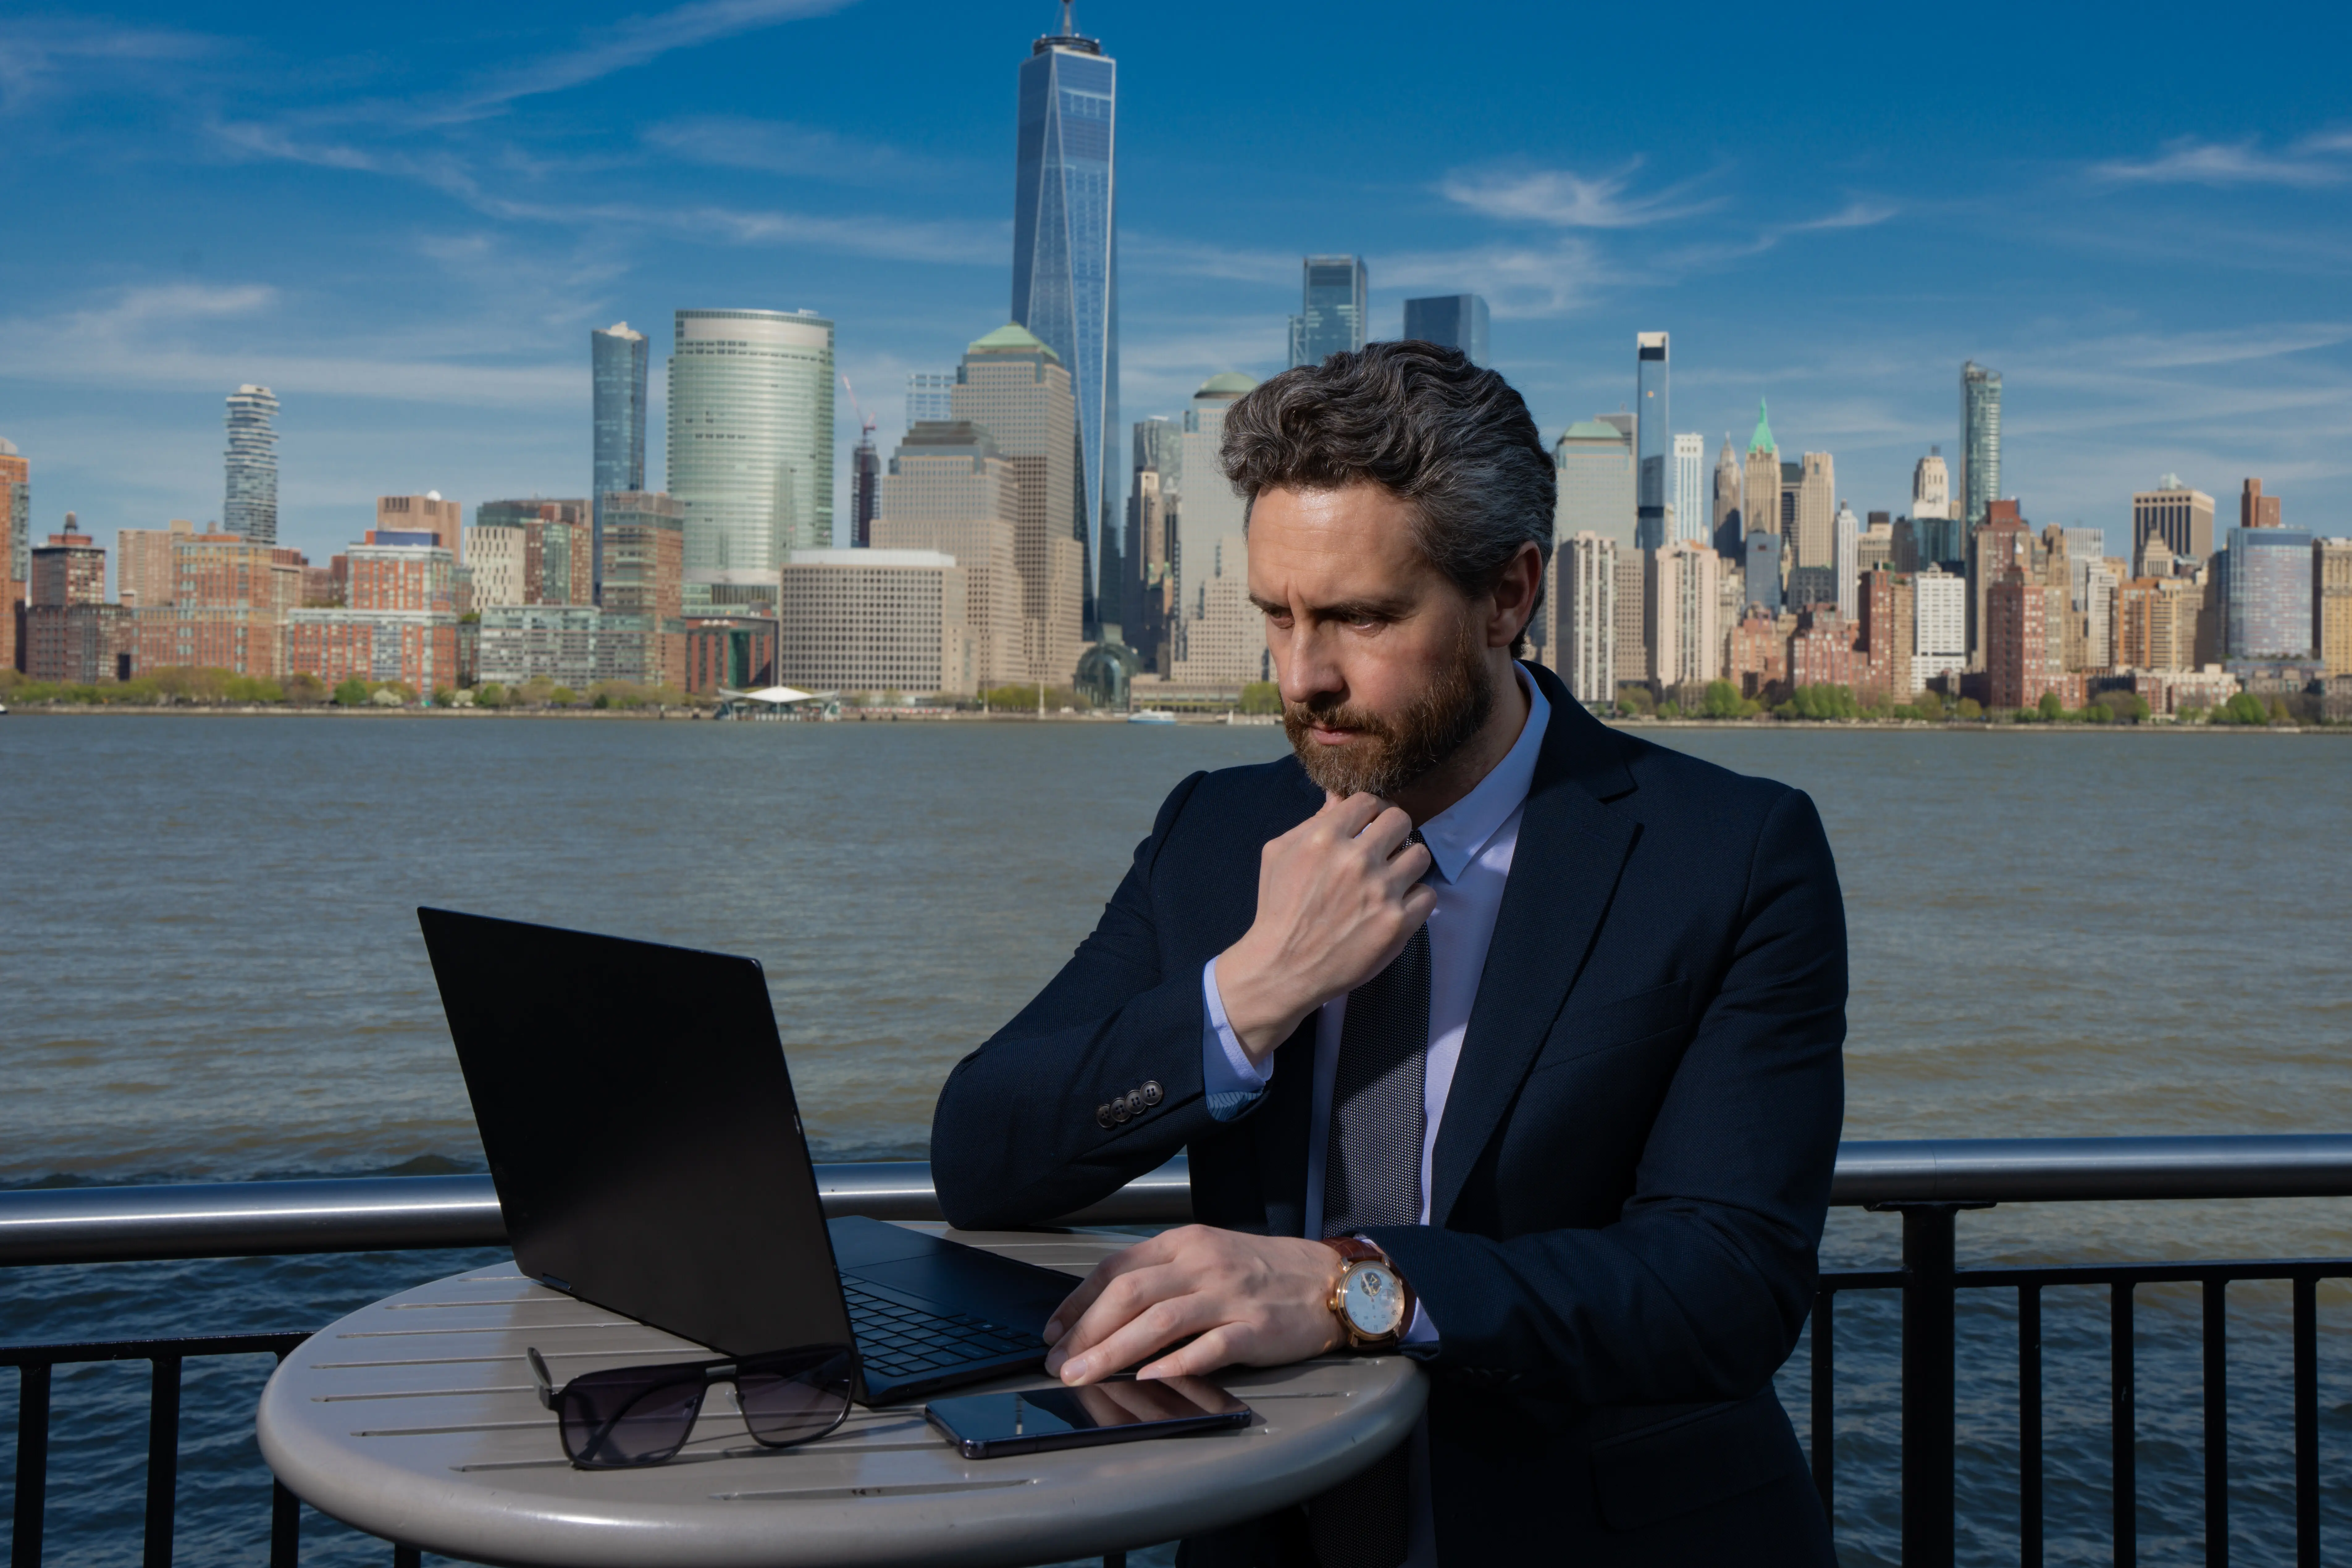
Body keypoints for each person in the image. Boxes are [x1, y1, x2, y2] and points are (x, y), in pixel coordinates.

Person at [930, 342, 1846, 1566]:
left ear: (1508, 596)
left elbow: (1725, 1286)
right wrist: (1250, 993)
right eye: (1275, 615)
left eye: (1359, 617)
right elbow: (979, 1154)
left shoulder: (1727, 853)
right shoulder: (1213, 832)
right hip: (1259, 1536)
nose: (1303, 676)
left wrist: (1345, 1289)